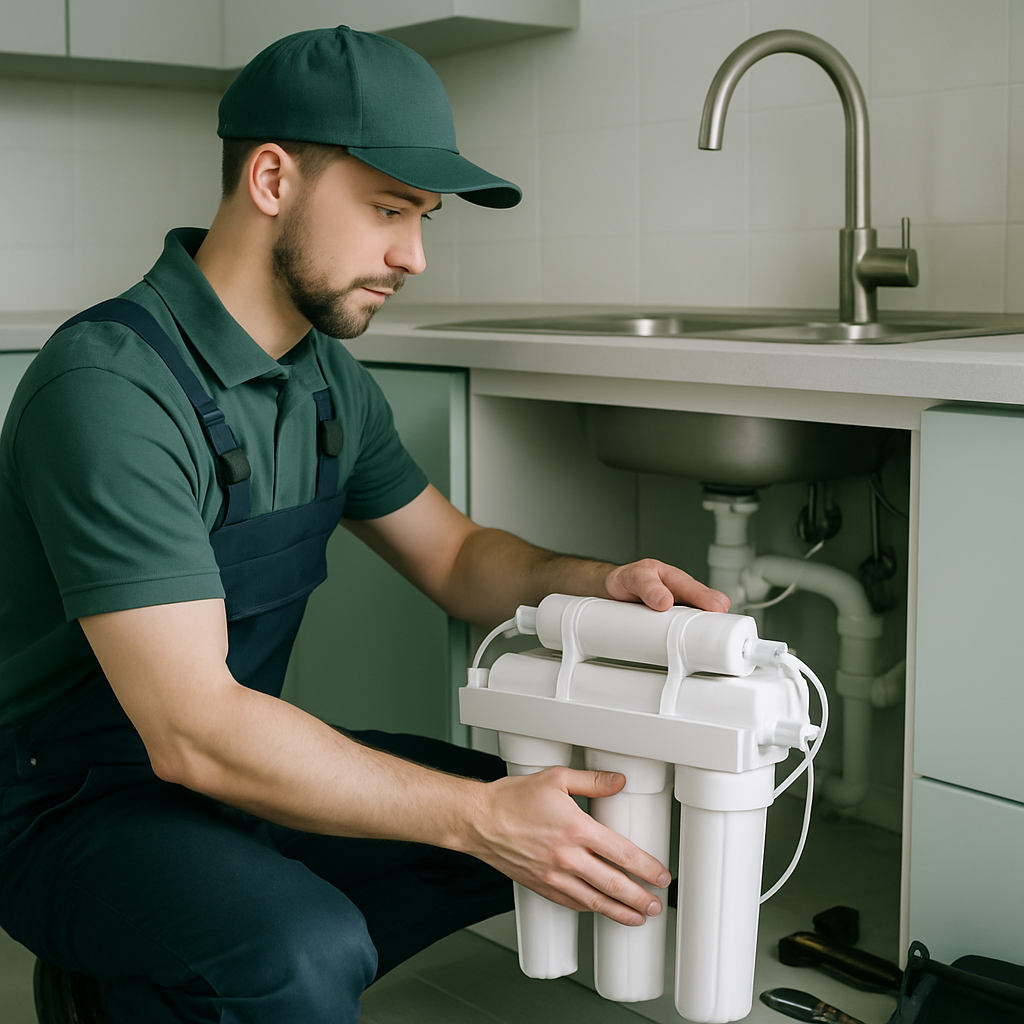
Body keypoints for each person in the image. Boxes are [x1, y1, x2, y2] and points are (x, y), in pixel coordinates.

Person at [0, 25, 729, 1024]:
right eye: (388, 209)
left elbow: (461, 558)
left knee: (590, 819)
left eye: (423, 217)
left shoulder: (325, 378)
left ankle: (165, 974)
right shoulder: (110, 392)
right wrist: (477, 820)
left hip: (228, 763)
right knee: (305, 948)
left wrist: (595, 580)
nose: (414, 256)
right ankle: (179, 970)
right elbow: (193, 731)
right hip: (67, 802)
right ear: (270, 179)